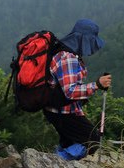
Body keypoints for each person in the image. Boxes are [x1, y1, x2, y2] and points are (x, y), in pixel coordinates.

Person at [44, 18, 112, 160]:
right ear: (84, 39)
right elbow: (70, 91)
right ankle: (57, 161)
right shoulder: (68, 57)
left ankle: (58, 158)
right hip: (61, 112)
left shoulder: (70, 53)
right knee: (93, 141)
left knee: (71, 140)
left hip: (63, 110)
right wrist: (97, 85)